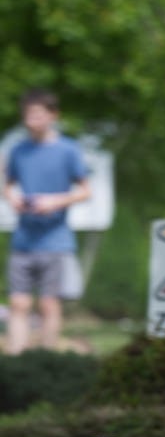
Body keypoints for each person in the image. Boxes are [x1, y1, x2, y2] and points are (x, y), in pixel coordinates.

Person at [3, 89, 91, 354]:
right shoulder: (18, 150)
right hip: (23, 239)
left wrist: (55, 201)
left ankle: (46, 357)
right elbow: (7, 185)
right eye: (28, 115)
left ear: (53, 115)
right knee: (18, 303)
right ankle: (17, 357)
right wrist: (14, 200)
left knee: (48, 303)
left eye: (38, 115)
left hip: (55, 240)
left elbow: (85, 191)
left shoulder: (68, 150)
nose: (32, 121)